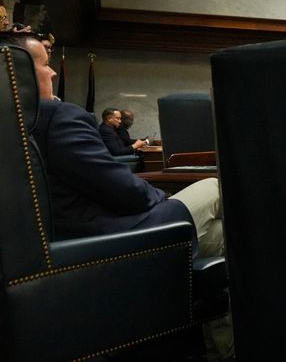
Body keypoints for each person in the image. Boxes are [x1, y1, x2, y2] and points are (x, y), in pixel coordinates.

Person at [1, 32, 223, 259]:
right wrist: (162, 196)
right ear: (19, 71)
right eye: (46, 64)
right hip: (113, 238)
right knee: (215, 187)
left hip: (61, 246)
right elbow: (118, 187)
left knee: (225, 233)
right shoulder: (56, 117)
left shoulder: (11, 127)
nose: (54, 72)